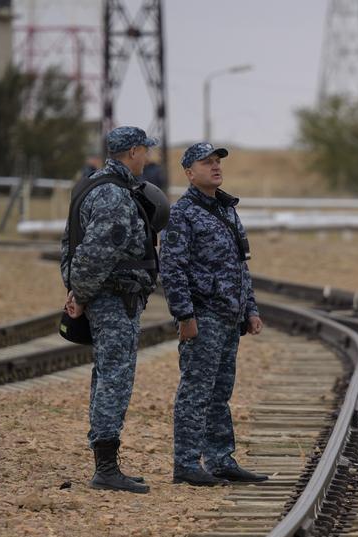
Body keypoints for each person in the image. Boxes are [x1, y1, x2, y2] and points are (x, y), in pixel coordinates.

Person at [159, 142, 268, 486]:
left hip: (228, 318)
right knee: (196, 390)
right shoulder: (182, 213)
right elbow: (172, 268)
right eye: (207, 162)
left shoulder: (227, 210)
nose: (216, 166)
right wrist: (185, 316)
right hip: (202, 316)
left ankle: (220, 460)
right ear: (190, 173)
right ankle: (187, 464)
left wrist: (250, 309)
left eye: (218, 161)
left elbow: (240, 265)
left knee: (220, 392)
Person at [61, 125, 159, 493]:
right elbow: (96, 252)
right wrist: (81, 294)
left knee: (107, 374)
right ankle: (105, 468)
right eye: (144, 151)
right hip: (114, 299)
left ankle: (107, 463)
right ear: (133, 152)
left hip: (107, 296)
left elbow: (68, 244)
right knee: (115, 377)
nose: (147, 158)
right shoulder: (114, 195)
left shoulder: (90, 186)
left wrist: (75, 289)